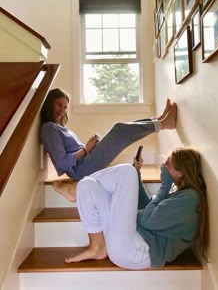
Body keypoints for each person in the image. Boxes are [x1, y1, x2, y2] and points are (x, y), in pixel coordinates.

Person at [56, 146, 209, 269]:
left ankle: (74, 189)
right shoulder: (179, 194)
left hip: (137, 252)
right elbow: (147, 205)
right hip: (127, 240)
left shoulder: (190, 199)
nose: (163, 166)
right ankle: (97, 247)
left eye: (167, 163)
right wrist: (137, 174)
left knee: (125, 172)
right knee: (88, 186)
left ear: (181, 172)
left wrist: (165, 184)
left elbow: (148, 219)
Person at [40, 88, 177, 182]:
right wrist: (86, 149)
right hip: (81, 169)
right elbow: (62, 162)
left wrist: (91, 146)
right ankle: (163, 124)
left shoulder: (59, 127)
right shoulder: (48, 129)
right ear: (49, 104)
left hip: (85, 161)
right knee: (118, 129)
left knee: (121, 129)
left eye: (65, 107)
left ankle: (159, 120)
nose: (62, 111)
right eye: (59, 105)